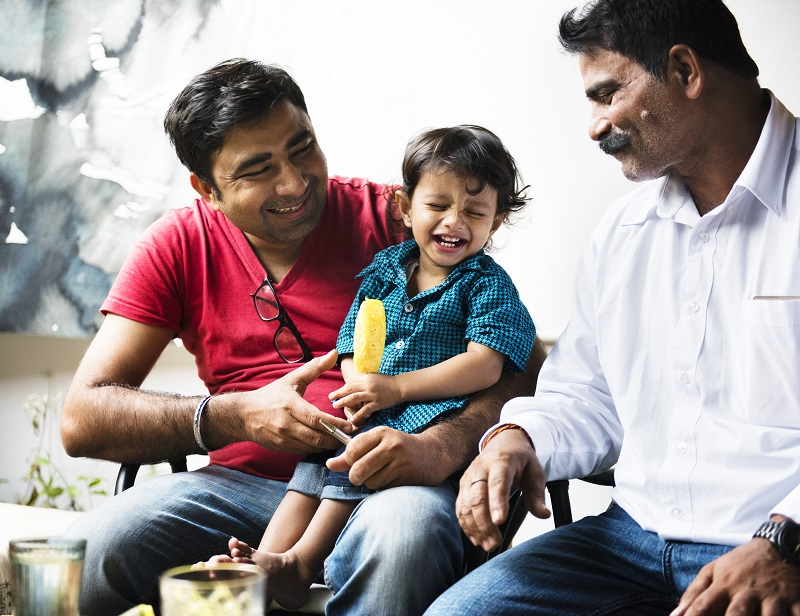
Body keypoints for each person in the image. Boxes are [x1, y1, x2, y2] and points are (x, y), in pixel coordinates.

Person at [58, 58, 545, 615]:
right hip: (237, 486)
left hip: (393, 480)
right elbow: (83, 418)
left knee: (403, 538)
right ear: (207, 188)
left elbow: (523, 365)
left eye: (302, 147)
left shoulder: (402, 217)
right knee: (86, 556)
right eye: (257, 168)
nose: (294, 182)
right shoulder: (176, 244)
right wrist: (234, 416)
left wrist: (441, 446)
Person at [425, 0, 800, 615]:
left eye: (606, 94)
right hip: (627, 540)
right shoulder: (625, 230)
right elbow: (587, 396)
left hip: (774, 547)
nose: (594, 127)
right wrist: (518, 438)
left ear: (683, 70)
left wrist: (785, 542)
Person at [203, 125, 537, 610]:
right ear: (404, 207)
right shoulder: (386, 269)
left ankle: (300, 565)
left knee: (352, 464)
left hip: (430, 425)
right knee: (316, 464)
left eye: (475, 211)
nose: (454, 222)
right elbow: (353, 342)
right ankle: (267, 563)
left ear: (497, 222)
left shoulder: (485, 284)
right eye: (438, 206)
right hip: (377, 410)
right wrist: (360, 385)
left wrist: (396, 389)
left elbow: (486, 364)